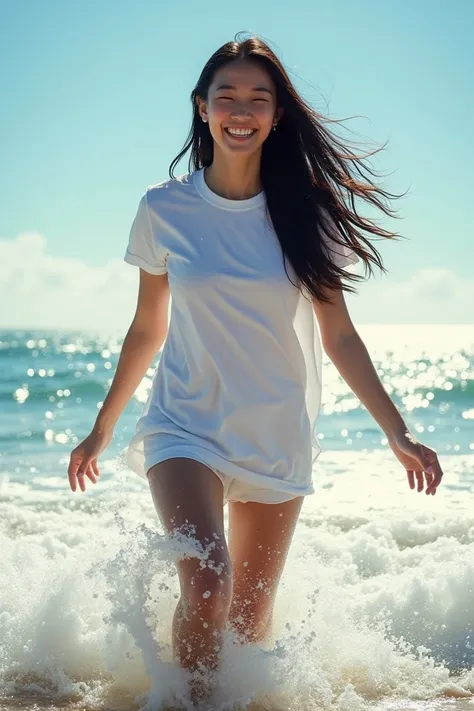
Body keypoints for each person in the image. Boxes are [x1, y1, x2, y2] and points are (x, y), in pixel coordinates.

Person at [68, 35, 443, 702]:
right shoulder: (164, 208)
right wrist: (103, 427)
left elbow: (341, 336)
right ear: (203, 108)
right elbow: (147, 327)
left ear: (276, 116)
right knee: (208, 587)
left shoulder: (308, 214)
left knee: (246, 623)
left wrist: (398, 432)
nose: (241, 110)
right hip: (185, 426)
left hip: (275, 435)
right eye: (227, 96)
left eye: (258, 99)